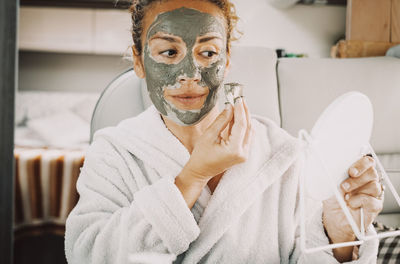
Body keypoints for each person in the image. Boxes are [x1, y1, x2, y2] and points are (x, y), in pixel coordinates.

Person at [65, 0, 384, 263]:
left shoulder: (282, 154)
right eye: (168, 52)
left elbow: (310, 254)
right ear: (138, 61)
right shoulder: (114, 153)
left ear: (227, 59)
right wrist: (192, 177)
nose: (189, 74)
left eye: (207, 53)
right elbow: (88, 255)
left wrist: (339, 238)